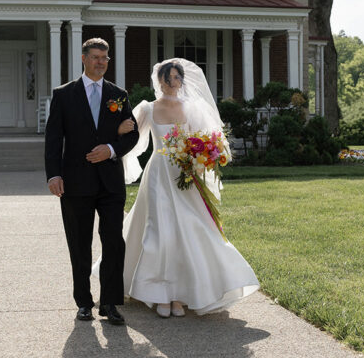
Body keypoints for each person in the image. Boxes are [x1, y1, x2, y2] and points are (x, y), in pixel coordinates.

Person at [114, 58, 259, 317]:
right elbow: (132, 139)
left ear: (182, 80)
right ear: (159, 81)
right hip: (159, 172)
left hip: (185, 173)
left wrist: (204, 154)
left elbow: (206, 139)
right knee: (158, 229)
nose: (172, 84)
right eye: (167, 79)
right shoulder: (147, 108)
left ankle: (181, 295)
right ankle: (160, 294)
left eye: (176, 78)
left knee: (189, 227)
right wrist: (121, 131)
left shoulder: (192, 107)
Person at [45, 37, 139, 324]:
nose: (101, 62)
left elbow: (132, 133)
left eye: (105, 58)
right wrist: (54, 174)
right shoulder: (64, 94)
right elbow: (53, 138)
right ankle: (83, 302)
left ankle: (110, 303)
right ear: (83, 59)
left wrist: (111, 149)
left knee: (114, 243)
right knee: (79, 243)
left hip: (111, 183)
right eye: (96, 57)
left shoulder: (118, 94)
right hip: (75, 182)